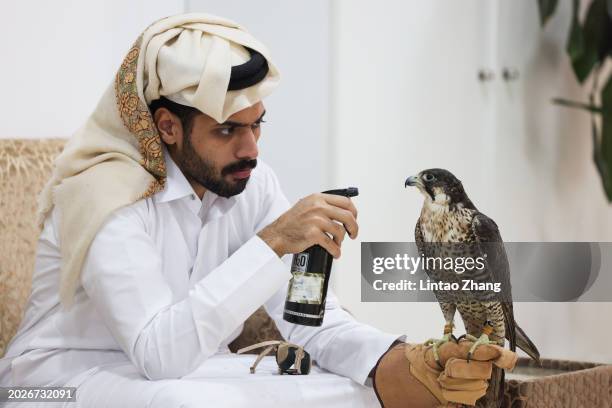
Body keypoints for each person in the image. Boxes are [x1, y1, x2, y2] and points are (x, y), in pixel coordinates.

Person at [0, 13, 516, 407]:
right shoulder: (106, 194)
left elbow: (307, 318)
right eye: (227, 130)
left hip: (186, 372)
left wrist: (393, 363)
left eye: (257, 125)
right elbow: (160, 356)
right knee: (184, 404)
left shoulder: (248, 180)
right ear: (167, 126)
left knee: (349, 392)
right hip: (54, 384)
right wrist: (271, 243)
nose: (251, 148)